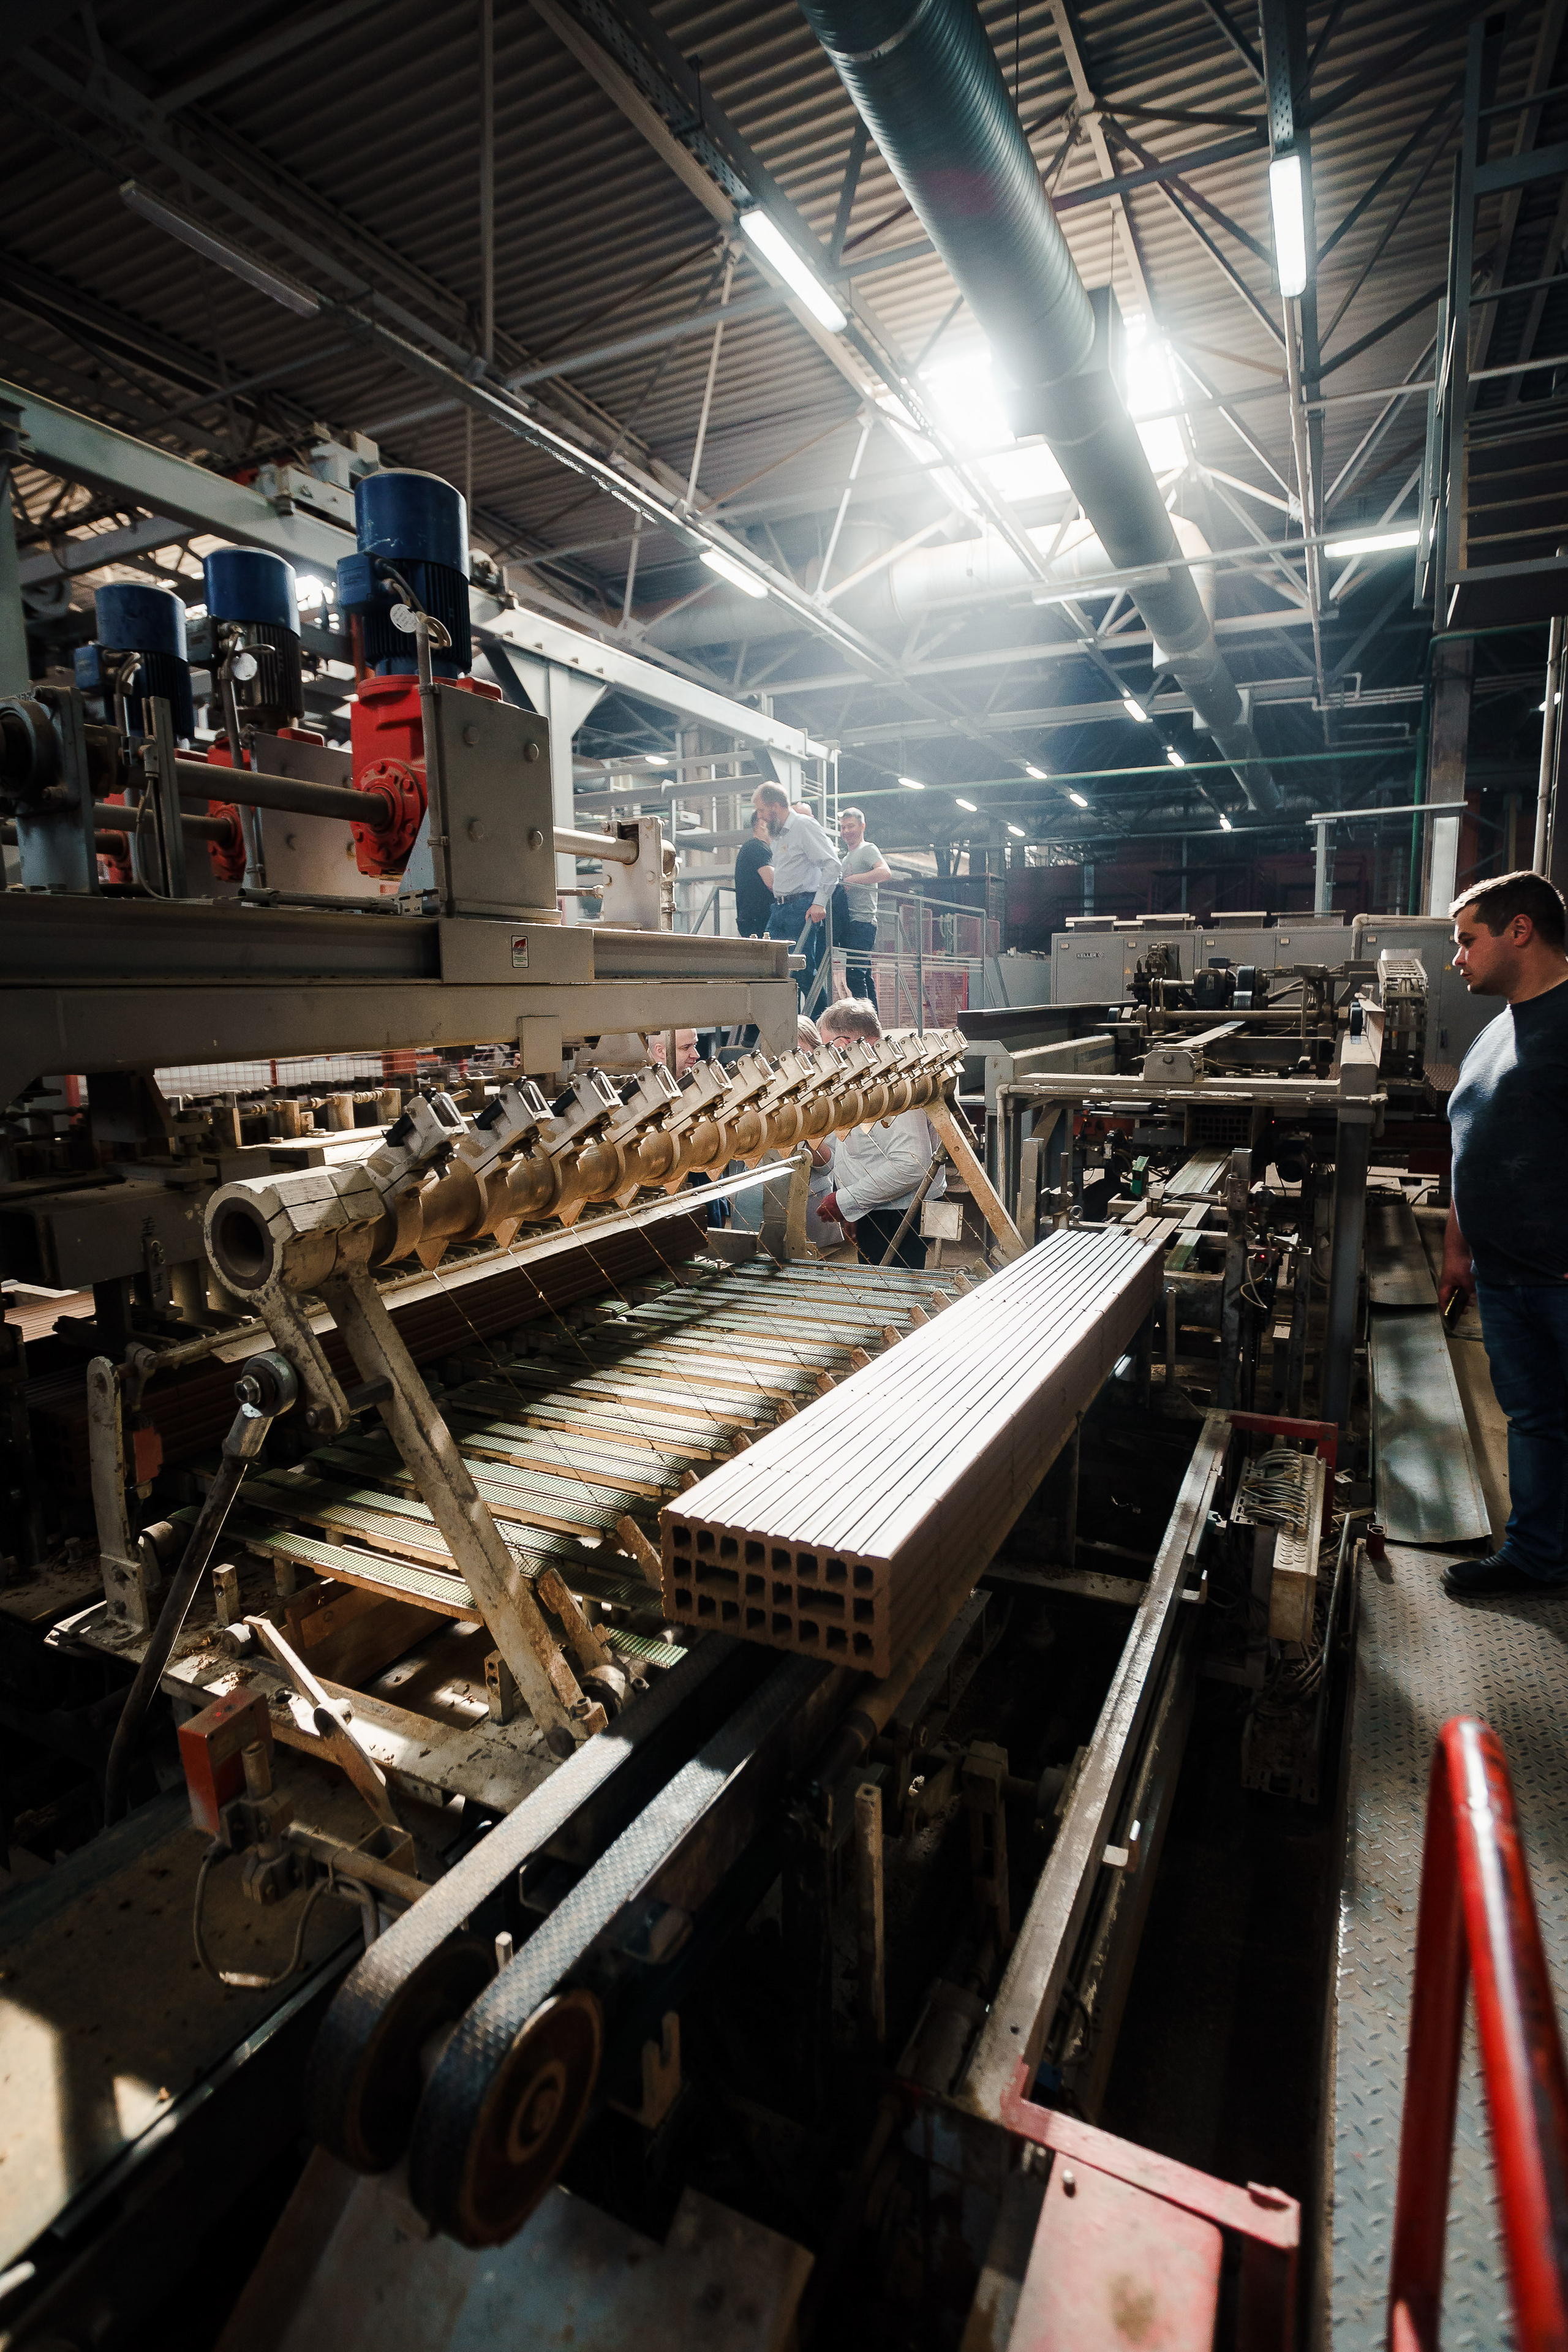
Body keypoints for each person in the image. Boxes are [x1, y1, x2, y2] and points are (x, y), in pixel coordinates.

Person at [1437, 869, 1568, 1598]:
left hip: (1557, 1277)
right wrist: (1458, 1247)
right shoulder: (1496, 1028)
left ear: (1520, 929)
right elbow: (1468, 1141)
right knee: (1534, 1421)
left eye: (1466, 940)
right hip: (1506, 1275)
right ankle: (1534, 1556)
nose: (1457, 958)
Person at [815, 998, 945, 1268]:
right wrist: (855, 1210)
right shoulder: (865, 1077)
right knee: (882, 1291)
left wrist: (847, 1201)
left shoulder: (893, 1082)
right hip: (877, 1208)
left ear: (843, 1044)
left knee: (895, 1297)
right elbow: (855, 1149)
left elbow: (913, 1165)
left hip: (900, 1215)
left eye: (826, 1048)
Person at [753, 782, 839, 1008]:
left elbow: (832, 864)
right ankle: (789, 1026)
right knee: (771, 967)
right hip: (780, 908)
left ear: (775, 806)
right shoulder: (779, 834)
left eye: (761, 810)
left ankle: (820, 1025)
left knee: (801, 970)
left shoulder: (804, 826)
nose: (760, 817)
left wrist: (819, 903)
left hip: (801, 907)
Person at [834, 807, 892, 1011]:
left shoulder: (868, 849)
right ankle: (873, 1023)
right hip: (851, 923)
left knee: (855, 976)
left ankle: (863, 1023)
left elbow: (884, 872)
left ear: (862, 826)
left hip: (863, 922)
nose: (846, 831)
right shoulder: (845, 858)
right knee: (863, 974)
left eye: (851, 826)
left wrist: (853, 880)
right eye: (843, 827)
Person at [734, 809, 775, 940]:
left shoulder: (755, 847)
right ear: (763, 823)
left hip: (755, 919)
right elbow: (772, 882)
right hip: (758, 921)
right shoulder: (757, 848)